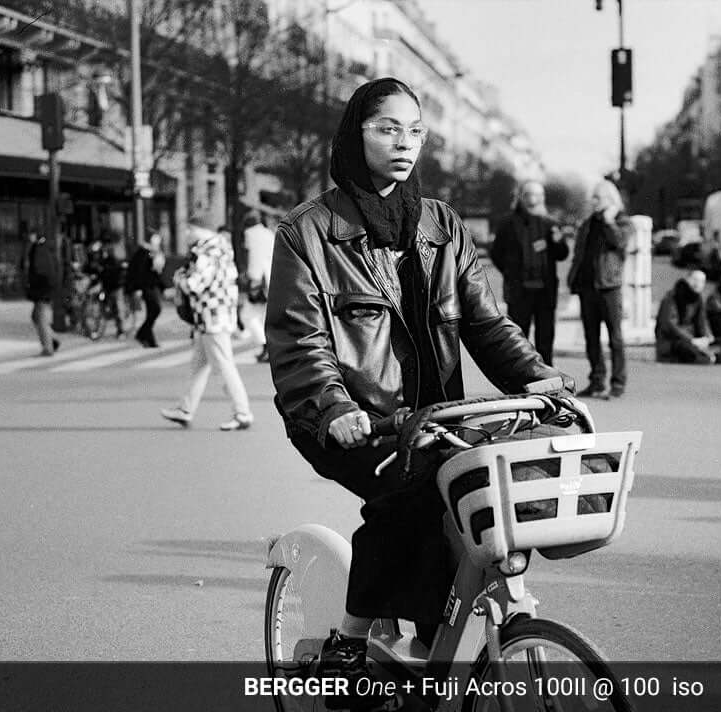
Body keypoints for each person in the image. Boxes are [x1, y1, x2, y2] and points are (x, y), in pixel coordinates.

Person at [265, 78, 569, 688]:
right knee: (410, 492)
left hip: (436, 418)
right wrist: (332, 408)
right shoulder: (307, 234)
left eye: (415, 131)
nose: (404, 143)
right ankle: (349, 644)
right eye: (387, 128)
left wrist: (545, 381)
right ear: (355, 135)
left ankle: (432, 641)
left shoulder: (441, 225)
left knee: (482, 504)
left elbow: (487, 324)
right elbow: (300, 347)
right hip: (351, 419)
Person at [161, 216, 254, 431]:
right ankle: (185, 409)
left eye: (189, 230)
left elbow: (195, 284)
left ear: (199, 230)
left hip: (211, 316)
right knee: (199, 365)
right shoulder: (223, 248)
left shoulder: (205, 252)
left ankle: (242, 412)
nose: (186, 235)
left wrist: (177, 280)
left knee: (223, 365)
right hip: (217, 314)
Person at [566, 179, 634, 398]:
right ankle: (596, 380)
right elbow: (579, 253)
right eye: (593, 197)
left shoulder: (622, 221)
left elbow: (620, 243)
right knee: (591, 337)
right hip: (588, 288)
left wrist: (609, 221)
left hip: (609, 287)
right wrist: (573, 278)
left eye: (598, 197)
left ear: (610, 199)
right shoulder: (588, 223)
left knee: (615, 338)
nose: (593, 201)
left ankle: (618, 383)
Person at [489, 180, 568, 365]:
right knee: (519, 339)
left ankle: (547, 377)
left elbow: (562, 254)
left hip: (545, 291)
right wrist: (510, 272)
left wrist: (558, 241)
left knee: (545, 339)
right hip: (519, 291)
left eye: (539, 195)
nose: (535, 199)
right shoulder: (508, 223)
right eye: (531, 194)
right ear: (522, 197)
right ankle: (520, 378)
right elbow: (496, 253)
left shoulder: (550, 223)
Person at [654, 269, 715, 365]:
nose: (698, 284)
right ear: (688, 280)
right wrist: (692, 340)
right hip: (672, 342)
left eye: (702, 281)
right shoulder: (672, 297)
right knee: (697, 356)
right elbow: (669, 325)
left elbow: (702, 321)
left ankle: (708, 354)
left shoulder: (698, 299)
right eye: (695, 280)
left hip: (692, 340)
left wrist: (707, 337)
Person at [242, 210, 274, 363]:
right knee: (263, 316)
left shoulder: (250, 234)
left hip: (259, 280)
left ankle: (265, 345)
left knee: (247, 316)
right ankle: (266, 348)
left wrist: (252, 279)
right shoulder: (269, 233)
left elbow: (254, 257)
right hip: (272, 278)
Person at [126, 233, 167, 347]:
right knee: (155, 310)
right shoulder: (143, 252)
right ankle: (143, 334)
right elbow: (138, 271)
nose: (157, 244)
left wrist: (162, 287)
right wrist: (137, 288)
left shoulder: (154, 253)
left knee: (152, 311)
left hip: (151, 286)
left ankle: (147, 337)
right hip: (145, 287)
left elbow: (155, 273)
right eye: (155, 241)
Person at [24, 229, 60, 356]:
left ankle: (48, 347)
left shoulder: (40, 249)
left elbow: (41, 271)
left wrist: (33, 284)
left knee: (41, 318)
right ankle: (52, 339)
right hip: (44, 289)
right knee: (36, 316)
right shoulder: (44, 247)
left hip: (42, 290)